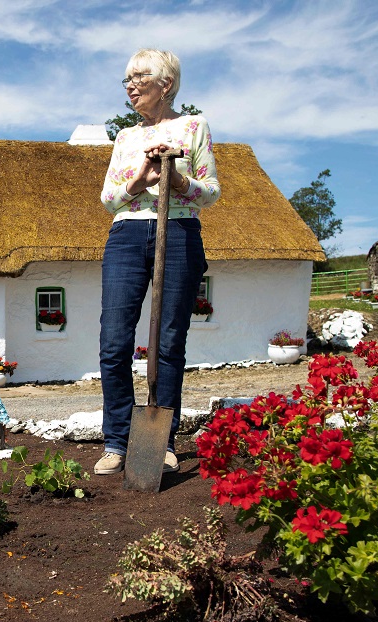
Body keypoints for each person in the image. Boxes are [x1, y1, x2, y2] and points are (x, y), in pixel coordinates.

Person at [94, 49, 221, 475]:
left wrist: (176, 177)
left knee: (168, 343)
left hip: (179, 232)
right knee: (114, 342)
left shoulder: (193, 126)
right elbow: (109, 199)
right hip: (127, 235)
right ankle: (116, 441)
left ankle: (161, 441)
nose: (129, 86)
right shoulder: (125, 138)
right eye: (126, 80)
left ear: (164, 83)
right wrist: (142, 178)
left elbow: (211, 192)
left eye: (137, 78)